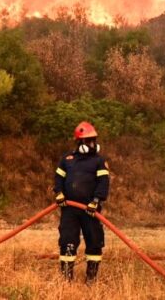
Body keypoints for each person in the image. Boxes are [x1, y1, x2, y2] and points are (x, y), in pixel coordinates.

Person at [53, 121, 110, 283]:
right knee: (67, 241)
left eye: (94, 140)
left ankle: (91, 279)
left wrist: (96, 200)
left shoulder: (98, 161)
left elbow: (103, 182)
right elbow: (59, 178)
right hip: (69, 209)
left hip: (90, 209)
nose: (92, 144)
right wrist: (58, 192)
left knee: (94, 241)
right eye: (89, 140)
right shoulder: (67, 159)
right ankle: (66, 278)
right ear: (80, 142)